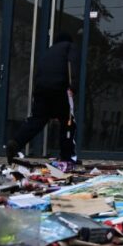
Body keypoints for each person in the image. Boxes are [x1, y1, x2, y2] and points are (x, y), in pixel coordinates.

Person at [6, 33, 81, 166]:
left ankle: (16, 142)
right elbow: (73, 66)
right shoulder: (70, 47)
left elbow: (39, 72)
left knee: (37, 120)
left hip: (42, 90)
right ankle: (67, 157)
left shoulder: (48, 52)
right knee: (68, 122)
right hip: (60, 88)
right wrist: (73, 87)